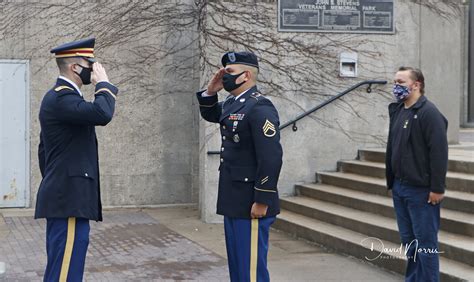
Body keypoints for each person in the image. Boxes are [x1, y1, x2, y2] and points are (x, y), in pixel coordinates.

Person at [35, 38, 118, 281]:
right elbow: (102, 113)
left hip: (67, 197)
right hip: (69, 199)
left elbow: (44, 151)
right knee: (65, 272)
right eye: (89, 63)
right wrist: (104, 84)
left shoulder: (64, 98)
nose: (93, 68)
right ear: (74, 67)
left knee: (66, 268)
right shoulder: (63, 98)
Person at [196, 51, 283, 282]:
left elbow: (271, 157)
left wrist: (262, 199)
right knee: (238, 267)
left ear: (245, 76)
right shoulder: (235, 103)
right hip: (234, 199)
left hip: (251, 201)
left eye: (230, 72)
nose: (224, 76)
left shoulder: (260, 107)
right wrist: (210, 93)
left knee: (251, 270)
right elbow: (213, 114)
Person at [385, 67, 448, 282]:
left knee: (426, 245)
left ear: (416, 84)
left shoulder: (429, 113)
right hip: (400, 188)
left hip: (421, 192)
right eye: (395, 81)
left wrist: (437, 188)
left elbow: (439, 153)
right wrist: (392, 183)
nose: (396, 85)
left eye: (401, 81)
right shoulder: (399, 110)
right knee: (409, 242)